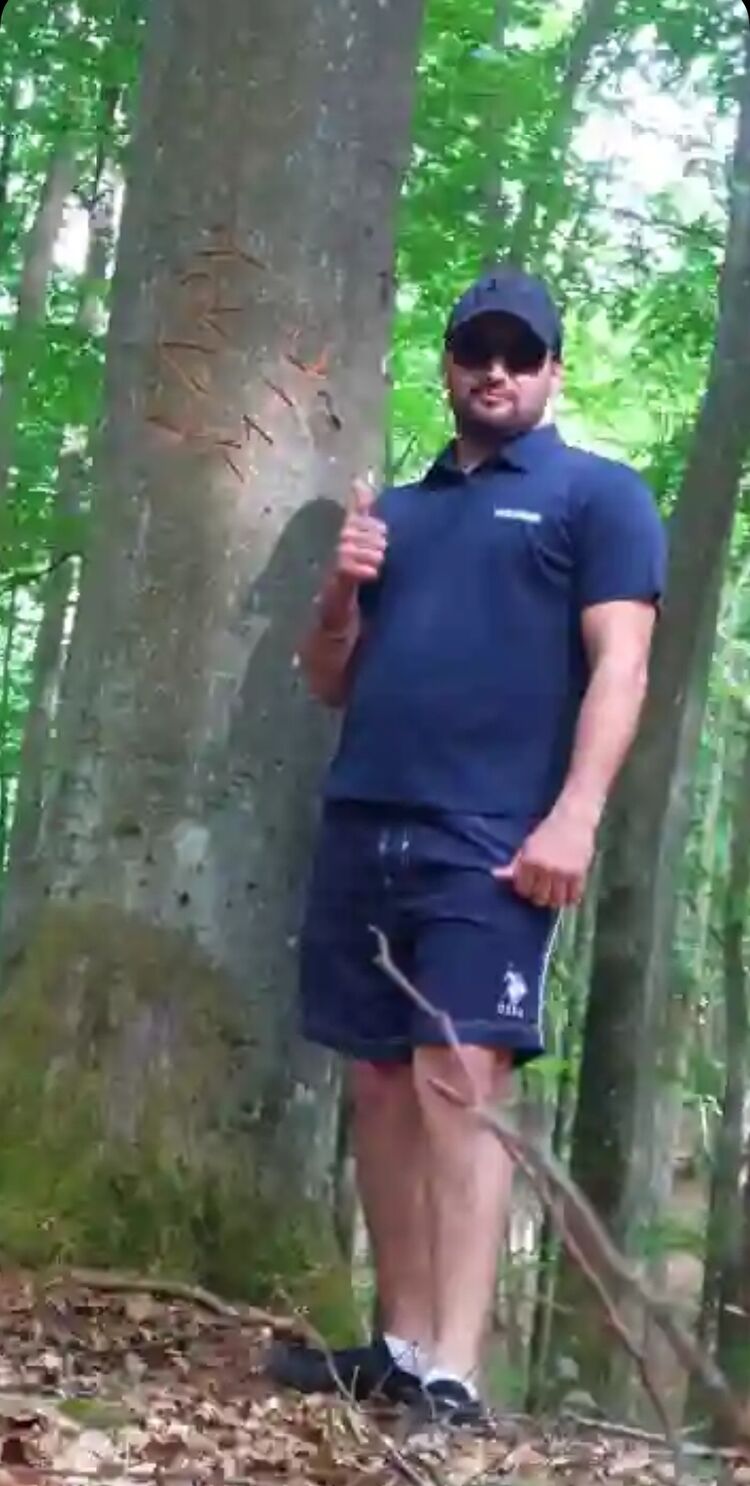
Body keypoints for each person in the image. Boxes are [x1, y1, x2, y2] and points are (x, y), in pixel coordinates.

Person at [268, 266, 666, 1424]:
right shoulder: (396, 510)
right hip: (365, 819)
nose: (495, 371)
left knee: (461, 1077)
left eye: (519, 353)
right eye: (475, 351)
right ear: (447, 366)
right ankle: (399, 1344)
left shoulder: (600, 497)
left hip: (494, 838)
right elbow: (329, 679)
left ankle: (454, 1369)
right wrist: (339, 595)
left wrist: (575, 814)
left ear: (552, 372)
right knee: (379, 1078)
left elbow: (623, 665)